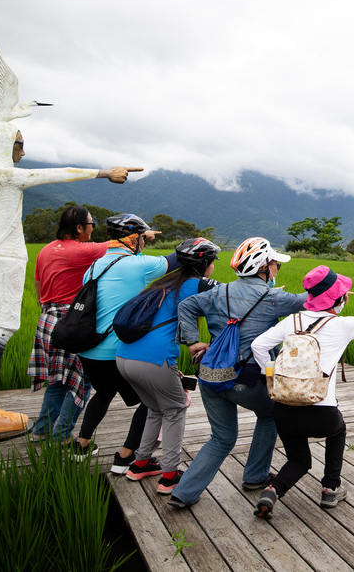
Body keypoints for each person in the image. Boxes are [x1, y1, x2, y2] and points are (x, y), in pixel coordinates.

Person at [0, 46, 141, 438]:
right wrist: (106, 173)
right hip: (5, 257)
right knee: (0, 325)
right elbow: (57, 173)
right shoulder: (3, 174)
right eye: (19, 144)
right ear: (4, 145)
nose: (23, 150)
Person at [249, 265, 354, 519]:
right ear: (337, 299)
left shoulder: (292, 321)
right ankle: (330, 488)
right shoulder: (343, 325)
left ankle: (272, 491)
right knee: (338, 430)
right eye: (344, 295)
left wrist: (271, 375)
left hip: (284, 410)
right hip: (321, 413)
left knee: (300, 461)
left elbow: (258, 345)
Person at [167, 237, 307, 509]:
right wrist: (337, 289)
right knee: (270, 414)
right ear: (263, 266)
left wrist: (194, 342)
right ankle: (255, 475)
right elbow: (309, 301)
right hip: (245, 380)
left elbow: (186, 306)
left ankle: (182, 493)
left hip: (209, 375)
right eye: (275, 264)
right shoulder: (273, 296)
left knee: (221, 438)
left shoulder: (219, 292)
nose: (278, 268)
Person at [71, 213, 174, 474]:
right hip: (114, 351)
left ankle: (82, 445)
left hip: (88, 350)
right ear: (133, 238)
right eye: (142, 239)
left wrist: (142, 235)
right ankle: (126, 456)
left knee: (104, 393)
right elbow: (177, 259)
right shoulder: (138, 266)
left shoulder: (94, 266)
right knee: (150, 403)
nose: (144, 244)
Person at [116, 238, 220, 492]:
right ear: (204, 262)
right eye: (213, 261)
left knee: (154, 408)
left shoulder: (164, 282)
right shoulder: (196, 284)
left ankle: (140, 464)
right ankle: (169, 475)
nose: (214, 266)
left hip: (124, 358)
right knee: (175, 410)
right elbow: (233, 298)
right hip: (154, 360)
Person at [27, 205, 108, 442]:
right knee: (81, 381)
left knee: (59, 380)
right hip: (72, 323)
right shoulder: (84, 250)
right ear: (79, 227)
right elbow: (121, 245)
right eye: (91, 224)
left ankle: (41, 431)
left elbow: (38, 287)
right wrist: (144, 235)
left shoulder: (45, 251)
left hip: (48, 321)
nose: (93, 229)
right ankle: (62, 435)